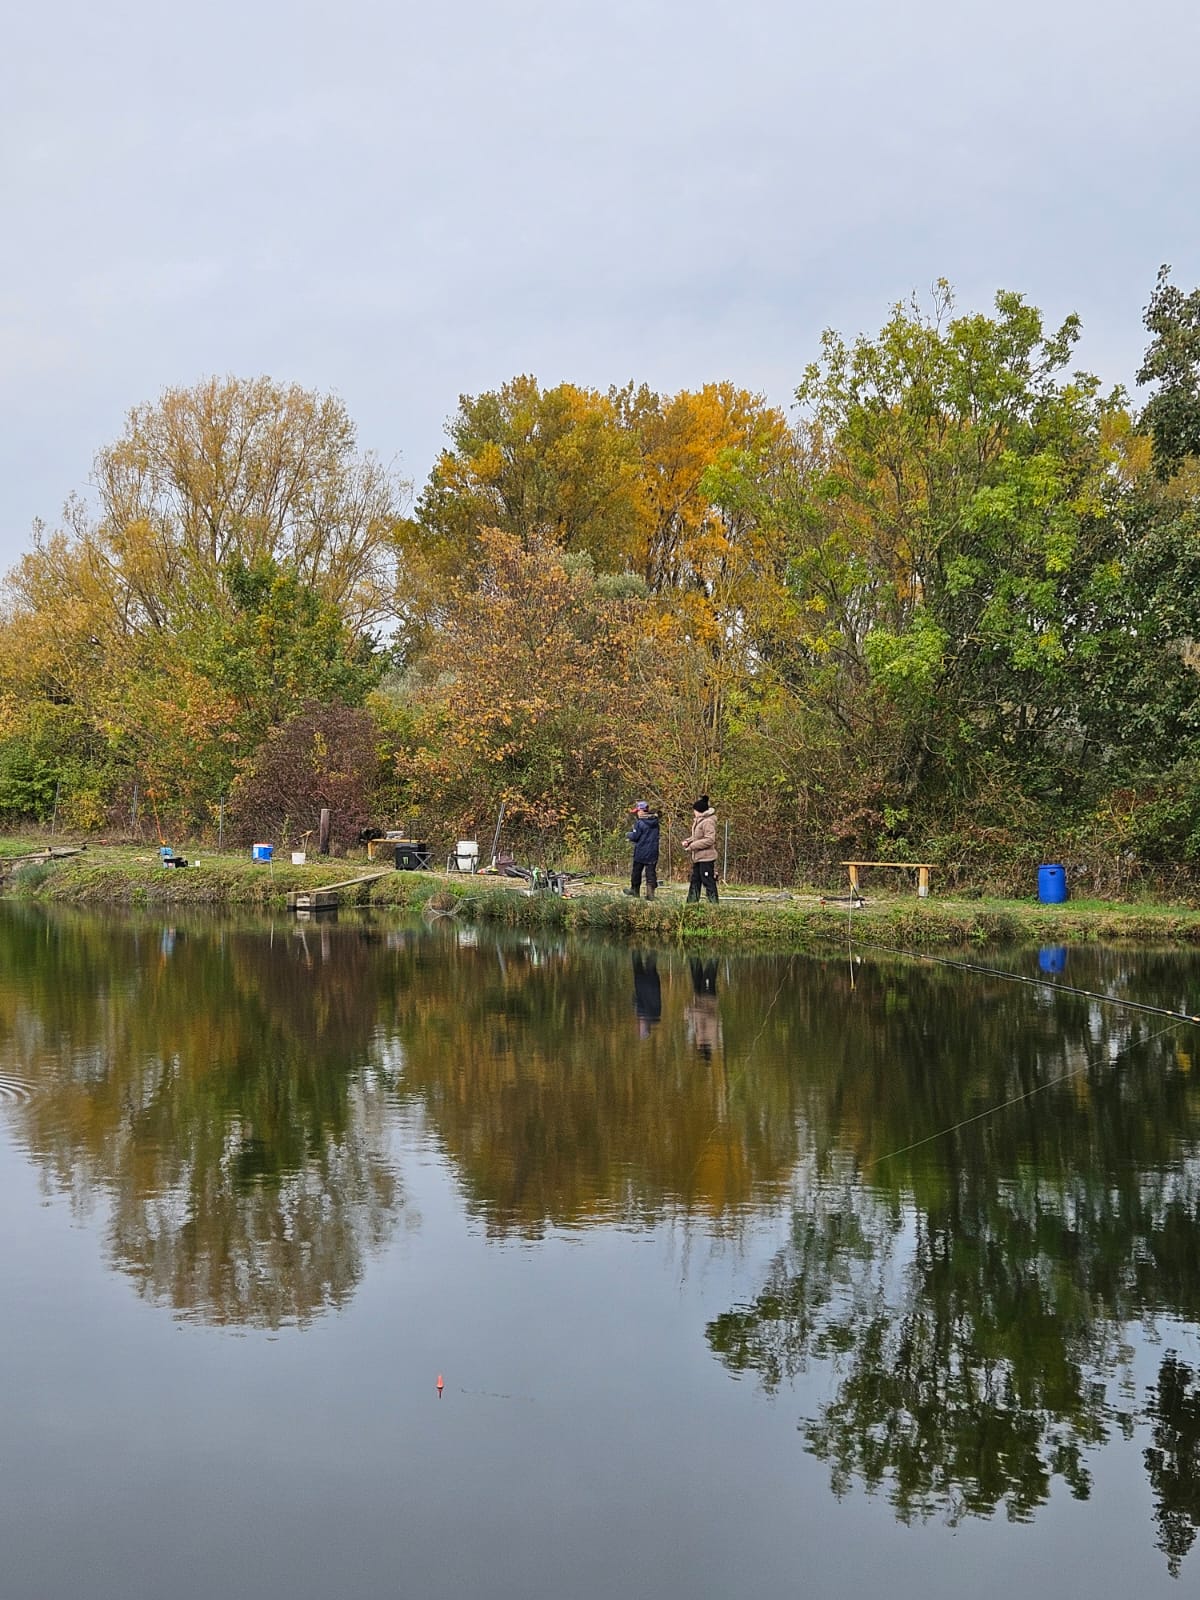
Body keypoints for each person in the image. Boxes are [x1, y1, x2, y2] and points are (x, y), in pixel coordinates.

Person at [681, 795, 718, 903]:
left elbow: (710, 840)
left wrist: (692, 846)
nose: (693, 812)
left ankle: (713, 903)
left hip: (706, 858)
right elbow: (697, 837)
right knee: (695, 880)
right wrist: (688, 841)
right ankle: (691, 902)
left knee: (708, 881)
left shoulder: (708, 822)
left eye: (694, 810)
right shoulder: (699, 821)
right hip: (698, 857)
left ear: (699, 811)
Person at [624, 800, 660, 900]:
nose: (637, 813)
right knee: (651, 873)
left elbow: (635, 836)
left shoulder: (639, 823)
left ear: (641, 811)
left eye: (637, 811)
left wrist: (628, 835)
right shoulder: (655, 822)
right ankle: (650, 894)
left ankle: (635, 890)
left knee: (636, 871)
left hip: (641, 851)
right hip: (653, 851)